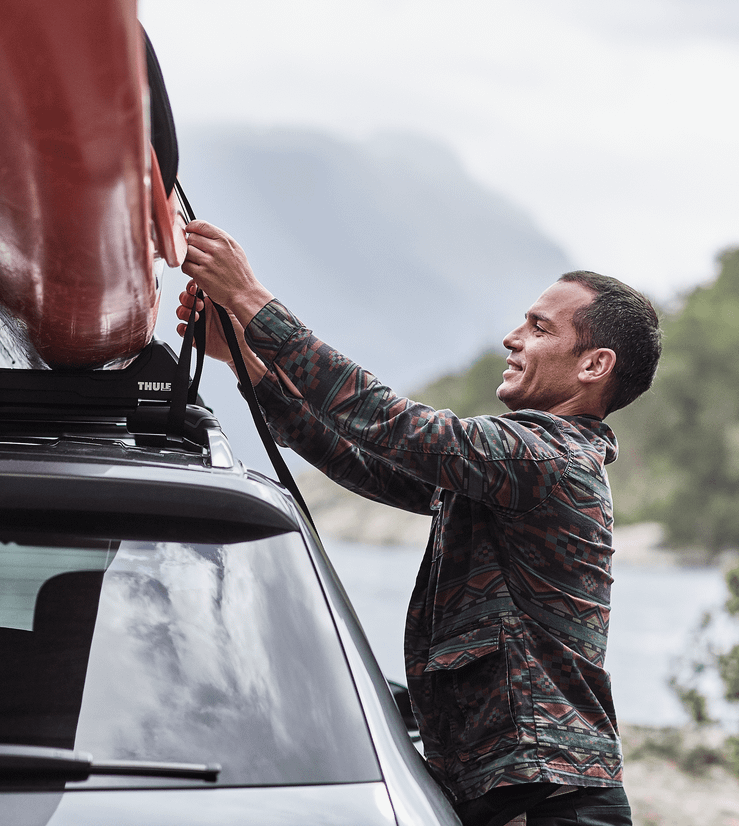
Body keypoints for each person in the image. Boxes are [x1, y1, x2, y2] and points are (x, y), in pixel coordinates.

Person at [176, 219, 662, 826]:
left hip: (548, 805)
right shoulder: (516, 470)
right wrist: (250, 364)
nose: (513, 338)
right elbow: (365, 460)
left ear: (594, 366)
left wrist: (250, 299)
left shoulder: (547, 457)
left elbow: (393, 423)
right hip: (509, 795)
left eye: (540, 328)